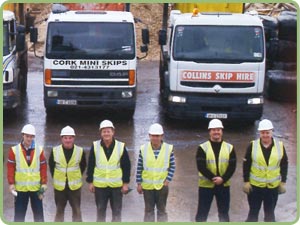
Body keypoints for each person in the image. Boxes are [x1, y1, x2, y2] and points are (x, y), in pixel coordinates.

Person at [243, 119, 288, 222]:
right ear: (260, 133)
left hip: (272, 188)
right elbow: (246, 164)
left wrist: (283, 181)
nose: (265, 135)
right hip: (255, 187)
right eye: (263, 133)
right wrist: (246, 181)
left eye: (267, 132)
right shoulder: (253, 145)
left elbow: (284, 164)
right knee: (253, 214)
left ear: (272, 132)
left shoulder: (280, 146)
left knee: (270, 215)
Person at [86, 119, 131, 222]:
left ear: (113, 132)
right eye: (104, 131)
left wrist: (125, 183)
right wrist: (90, 182)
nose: (106, 133)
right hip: (100, 186)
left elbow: (126, 166)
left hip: (116, 186)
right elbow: (91, 164)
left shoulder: (121, 146)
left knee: (117, 213)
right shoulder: (95, 146)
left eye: (108, 131)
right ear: (101, 133)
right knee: (100, 211)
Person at [195, 119, 236, 222]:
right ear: (210, 132)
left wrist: (223, 179)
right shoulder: (202, 148)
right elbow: (201, 166)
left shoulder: (229, 148)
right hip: (206, 186)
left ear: (222, 131)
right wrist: (214, 178)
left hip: (223, 185)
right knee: (202, 213)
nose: (216, 132)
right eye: (214, 130)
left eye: (218, 129)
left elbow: (232, 167)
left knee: (224, 214)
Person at [7, 124, 47, 222]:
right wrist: (11, 183)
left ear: (33, 137)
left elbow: (43, 167)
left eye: (31, 136)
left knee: (39, 218)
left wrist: (44, 183)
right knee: (19, 218)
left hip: (36, 189)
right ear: (23, 135)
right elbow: (10, 167)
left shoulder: (39, 150)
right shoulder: (14, 150)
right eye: (27, 136)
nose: (29, 139)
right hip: (21, 189)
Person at [136, 123, 175, 222]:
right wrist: (139, 183)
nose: (155, 138)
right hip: (148, 187)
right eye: (153, 136)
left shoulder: (168, 149)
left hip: (162, 186)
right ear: (149, 136)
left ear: (161, 136)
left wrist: (167, 180)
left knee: (162, 210)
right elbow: (139, 167)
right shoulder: (143, 149)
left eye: (157, 136)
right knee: (148, 211)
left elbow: (172, 166)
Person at [49, 126, 86, 222]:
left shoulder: (80, 151)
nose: (68, 140)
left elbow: (83, 166)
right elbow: (52, 167)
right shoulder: (55, 151)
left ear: (74, 138)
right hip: (60, 188)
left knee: (77, 212)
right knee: (59, 212)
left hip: (74, 188)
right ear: (61, 138)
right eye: (65, 138)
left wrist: (74, 176)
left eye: (70, 138)